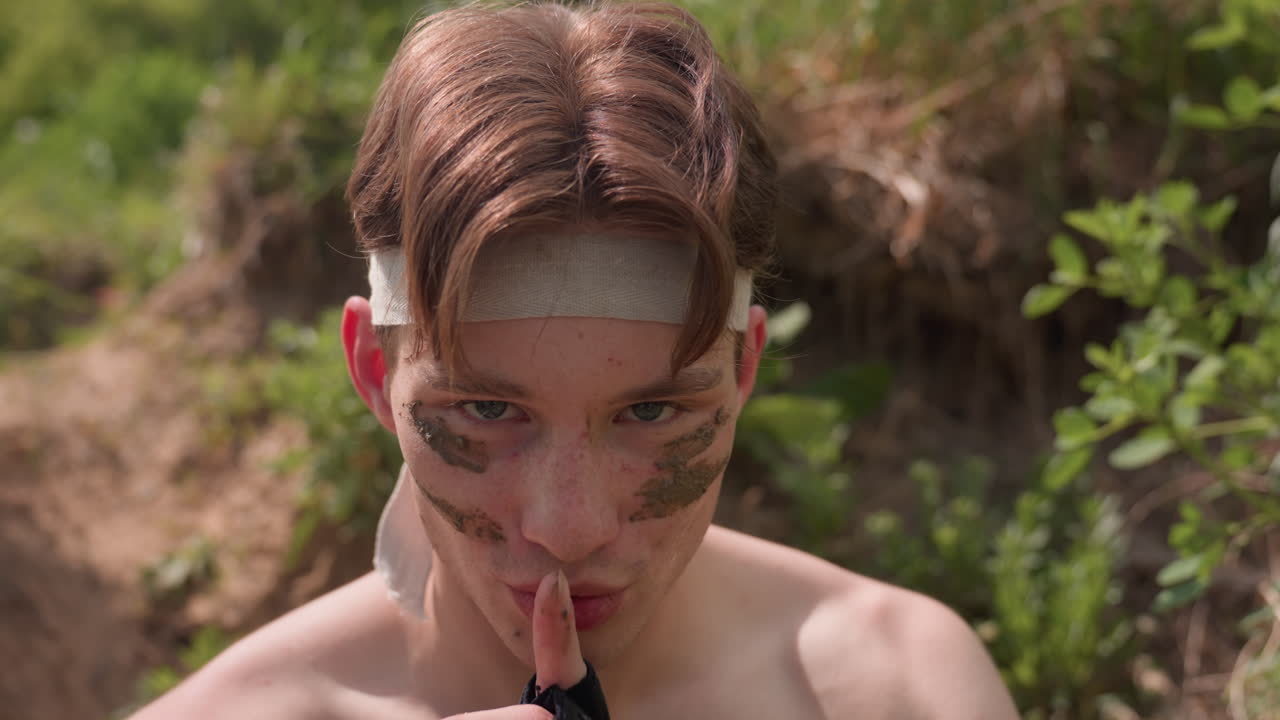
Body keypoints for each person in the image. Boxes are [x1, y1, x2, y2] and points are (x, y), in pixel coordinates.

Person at [131, 2, 1019, 718]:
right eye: (486, 410)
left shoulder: (903, 688)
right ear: (372, 371)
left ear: (744, 372)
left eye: (650, 412)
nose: (570, 527)